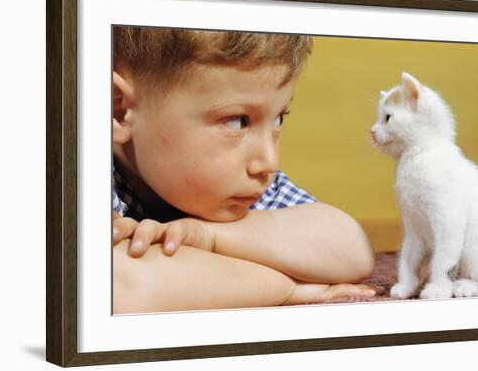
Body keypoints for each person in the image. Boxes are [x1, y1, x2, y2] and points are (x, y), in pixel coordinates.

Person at [111, 26, 377, 314]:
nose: (268, 162)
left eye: (278, 119)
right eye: (236, 121)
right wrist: (286, 288)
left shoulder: (239, 187)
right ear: (119, 111)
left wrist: (208, 236)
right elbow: (119, 287)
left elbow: (351, 252)